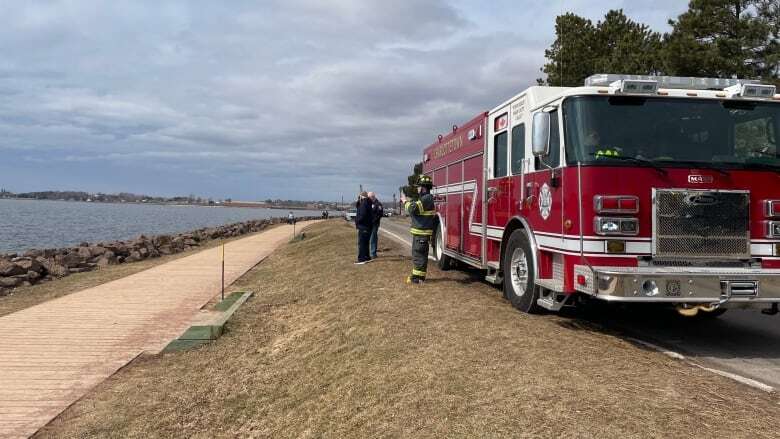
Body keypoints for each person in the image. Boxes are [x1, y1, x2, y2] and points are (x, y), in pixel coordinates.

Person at [400, 175, 436, 284]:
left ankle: (417, 279)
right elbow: (416, 208)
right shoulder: (425, 199)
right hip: (421, 234)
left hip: (421, 234)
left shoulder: (426, 198)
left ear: (423, 187)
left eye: (418, 187)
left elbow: (413, 209)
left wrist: (405, 201)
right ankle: (418, 277)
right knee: (419, 255)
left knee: (418, 256)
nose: (417, 189)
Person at [354, 191, 373, 264]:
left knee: (361, 243)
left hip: (363, 226)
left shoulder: (364, 203)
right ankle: (367, 257)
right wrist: (358, 202)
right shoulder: (368, 202)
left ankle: (361, 259)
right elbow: (359, 208)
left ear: (361, 196)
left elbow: (362, 214)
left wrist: (357, 221)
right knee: (366, 243)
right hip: (368, 226)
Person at [368, 192, 383, 259]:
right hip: (370, 223)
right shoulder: (370, 203)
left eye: (369, 197)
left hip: (375, 223)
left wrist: (373, 220)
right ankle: (372, 252)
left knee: (372, 238)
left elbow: (380, 214)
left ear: (372, 197)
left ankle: (372, 253)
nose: (368, 199)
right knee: (373, 237)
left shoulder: (378, 204)